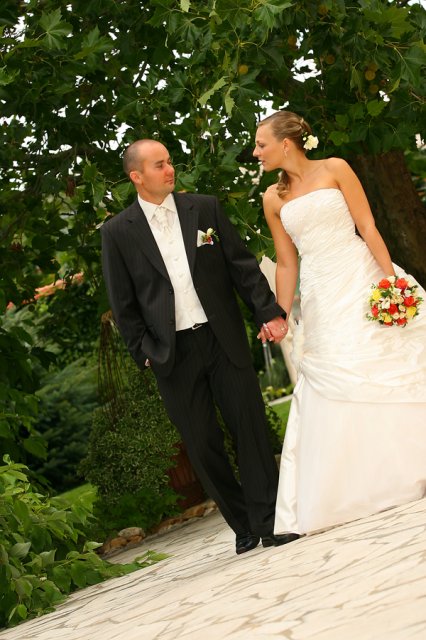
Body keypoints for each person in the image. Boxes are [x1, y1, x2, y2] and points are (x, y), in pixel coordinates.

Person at [101, 139, 299, 554]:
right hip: (171, 352)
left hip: (222, 336)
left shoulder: (204, 208)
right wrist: (144, 352)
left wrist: (268, 312)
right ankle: (242, 524)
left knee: (250, 429)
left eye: (169, 161)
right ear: (136, 176)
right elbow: (123, 302)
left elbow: (241, 265)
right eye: (159, 165)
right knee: (202, 444)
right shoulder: (118, 232)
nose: (169, 169)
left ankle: (268, 522)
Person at [253, 110, 426, 537]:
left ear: (286, 143)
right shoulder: (272, 198)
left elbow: (367, 226)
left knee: (389, 362)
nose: (256, 152)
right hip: (321, 292)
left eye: (261, 144)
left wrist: (390, 280)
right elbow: (287, 262)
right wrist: (279, 315)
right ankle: (360, 483)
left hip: (361, 275)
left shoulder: (336, 168)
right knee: (335, 372)